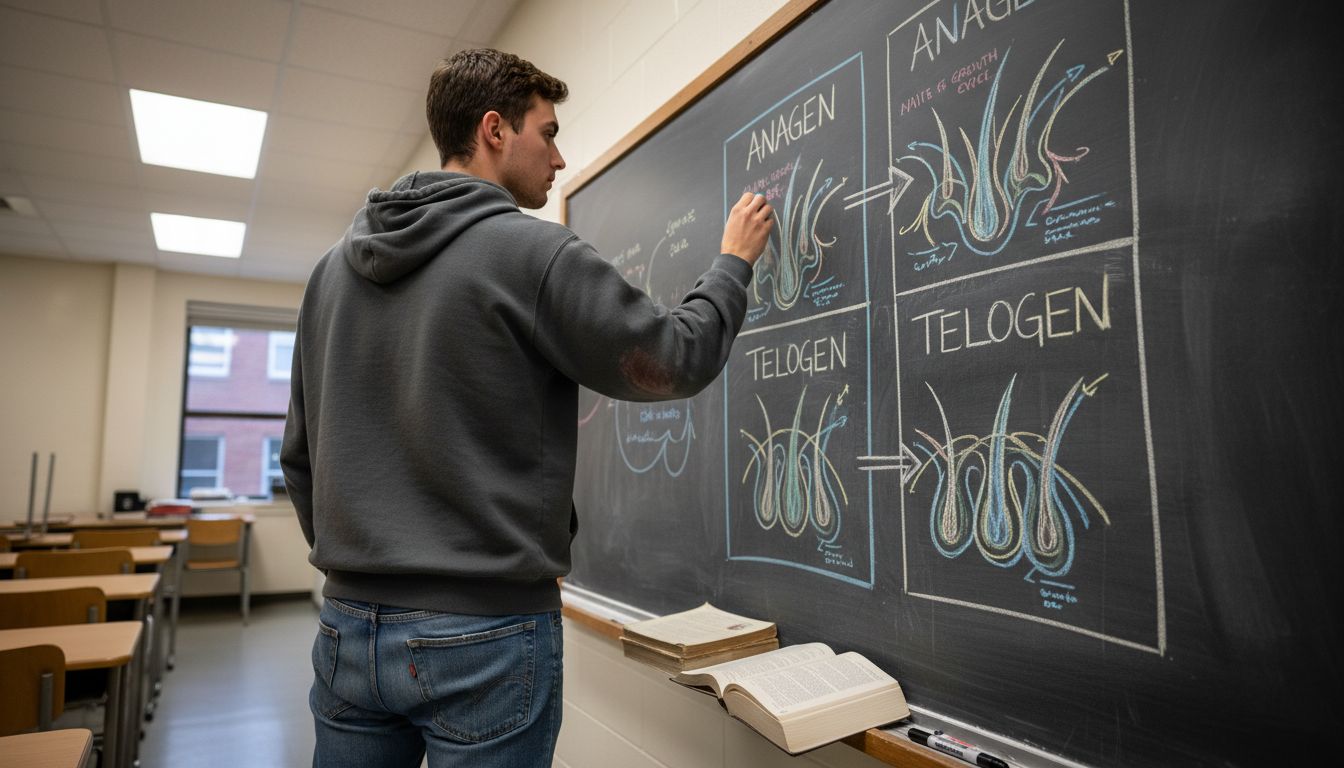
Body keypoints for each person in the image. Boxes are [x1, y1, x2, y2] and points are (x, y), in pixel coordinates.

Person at [281, 48, 773, 767]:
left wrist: (363, 565)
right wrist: (732, 264)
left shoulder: (330, 273)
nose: (561, 157)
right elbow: (672, 362)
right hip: (483, 634)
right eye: (547, 133)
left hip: (348, 627)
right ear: (494, 130)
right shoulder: (531, 255)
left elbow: (298, 456)